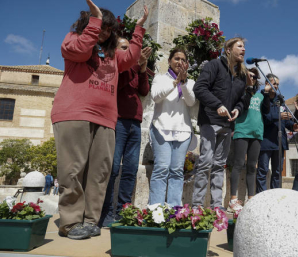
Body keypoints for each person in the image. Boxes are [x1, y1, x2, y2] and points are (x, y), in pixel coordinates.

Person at [51, 0, 148, 240]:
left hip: (106, 119)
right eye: (100, 27)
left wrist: (139, 28)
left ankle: (91, 221)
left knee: (100, 173)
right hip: (74, 114)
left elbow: (132, 58)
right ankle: (71, 223)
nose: (104, 32)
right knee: (72, 170)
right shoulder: (73, 40)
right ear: (89, 25)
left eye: (107, 29)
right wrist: (95, 20)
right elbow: (83, 51)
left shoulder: (113, 56)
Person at [192, 37, 254, 209]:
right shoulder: (214, 66)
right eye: (239, 46)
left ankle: (216, 208)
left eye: (244, 47)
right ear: (228, 49)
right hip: (210, 122)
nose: (243, 50)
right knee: (205, 163)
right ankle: (197, 207)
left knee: (219, 166)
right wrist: (217, 104)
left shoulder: (242, 76)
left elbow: (242, 100)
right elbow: (199, 88)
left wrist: (238, 109)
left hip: (227, 126)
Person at [99, 38, 153, 227]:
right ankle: (105, 212)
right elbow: (119, 84)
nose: (128, 52)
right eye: (124, 48)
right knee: (113, 169)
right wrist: (135, 66)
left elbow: (144, 91)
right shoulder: (115, 66)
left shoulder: (134, 68)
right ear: (115, 51)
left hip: (135, 123)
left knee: (130, 170)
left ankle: (123, 211)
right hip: (118, 121)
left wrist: (143, 69)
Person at [148, 48, 196, 207]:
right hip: (161, 129)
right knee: (161, 169)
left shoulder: (190, 82)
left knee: (176, 171)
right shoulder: (160, 79)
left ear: (187, 64)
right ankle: (156, 209)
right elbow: (156, 96)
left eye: (183, 59)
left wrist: (183, 82)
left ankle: (174, 209)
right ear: (169, 61)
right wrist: (175, 82)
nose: (179, 62)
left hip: (183, 132)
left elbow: (190, 102)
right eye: (176, 58)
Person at [227, 68, 270, 212]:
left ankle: (251, 198)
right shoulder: (239, 92)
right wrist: (249, 91)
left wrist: (267, 93)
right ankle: (233, 199)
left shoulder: (260, 96)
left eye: (255, 77)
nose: (252, 78)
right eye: (250, 75)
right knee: (238, 164)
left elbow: (267, 110)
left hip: (257, 133)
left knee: (252, 166)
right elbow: (242, 105)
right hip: (242, 131)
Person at [256, 74, 298, 192]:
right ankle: (261, 196)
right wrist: (278, 116)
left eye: (278, 84)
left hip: (280, 142)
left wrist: (292, 126)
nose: (276, 86)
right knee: (263, 170)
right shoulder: (260, 98)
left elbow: (284, 121)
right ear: (267, 84)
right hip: (266, 141)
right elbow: (263, 118)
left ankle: (275, 195)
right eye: (274, 83)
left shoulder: (280, 100)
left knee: (277, 171)